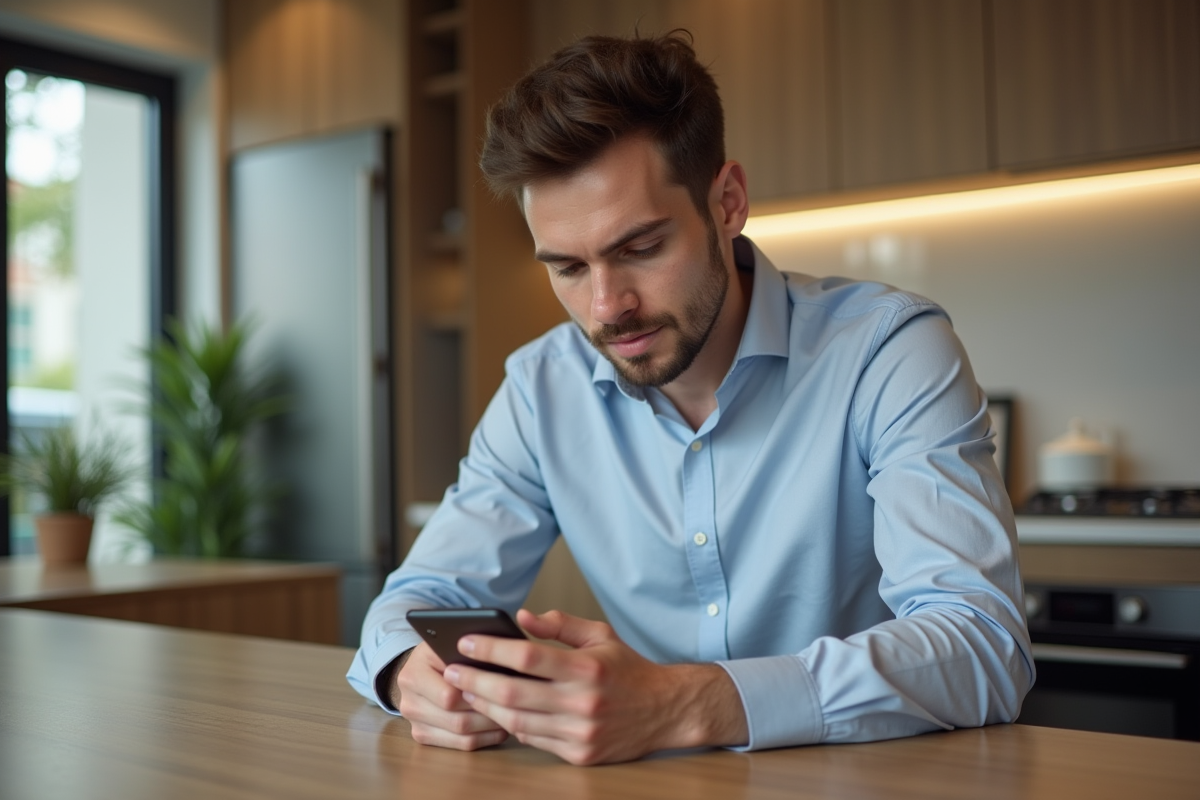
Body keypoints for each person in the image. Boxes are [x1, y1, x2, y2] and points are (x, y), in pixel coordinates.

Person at [347, 31, 1034, 766]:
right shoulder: (543, 388)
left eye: (640, 248)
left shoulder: (887, 351)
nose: (606, 306)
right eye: (569, 267)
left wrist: (685, 702)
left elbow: (980, 642)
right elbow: (418, 597)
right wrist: (410, 675)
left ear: (728, 202)